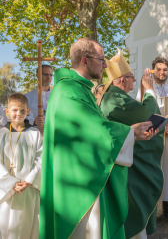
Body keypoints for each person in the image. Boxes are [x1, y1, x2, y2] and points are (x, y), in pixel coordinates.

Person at [39, 38, 157, 239]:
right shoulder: (69, 91)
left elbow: (94, 126)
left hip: (85, 170)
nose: (104, 64)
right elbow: (93, 131)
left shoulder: (77, 88)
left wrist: (131, 134)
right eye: (101, 59)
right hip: (79, 181)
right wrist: (130, 132)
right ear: (85, 61)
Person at [100, 48, 164, 238]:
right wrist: (150, 89)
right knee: (130, 205)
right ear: (121, 80)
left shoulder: (115, 97)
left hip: (125, 158)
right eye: (131, 77)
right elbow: (147, 115)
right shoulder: (114, 99)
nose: (135, 81)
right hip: (125, 166)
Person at [136, 56, 168, 223]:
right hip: (153, 136)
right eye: (159, 69)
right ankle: (149, 212)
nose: (162, 72)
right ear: (153, 70)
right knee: (152, 171)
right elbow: (139, 108)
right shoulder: (145, 89)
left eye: (164, 69)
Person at [0, 93, 42, 239]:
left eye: (22, 110)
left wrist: (29, 179)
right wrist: (10, 182)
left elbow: (41, 158)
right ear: (7, 111)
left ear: (28, 111)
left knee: (28, 228)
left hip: (28, 189)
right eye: (15, 110)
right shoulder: (1, 135)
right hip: (7, 191)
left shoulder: (34, 134)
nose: (19, 114)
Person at [25, 65, 53, 129]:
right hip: (33, 135)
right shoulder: (27, 97)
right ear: (37, 75)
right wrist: (33, 120)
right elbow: (20, 116)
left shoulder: (57, 96)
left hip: (53, 134)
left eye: (51, 75)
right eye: (46, 74)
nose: (49, 77)